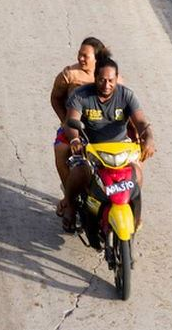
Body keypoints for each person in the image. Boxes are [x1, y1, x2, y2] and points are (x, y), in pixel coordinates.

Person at [59, 56, 153, 232]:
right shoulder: (81, 95)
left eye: (111, 80)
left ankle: (134, 214)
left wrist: (149, 138)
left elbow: (140, 122)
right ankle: (70, 206)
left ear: (117, 79)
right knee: (80, 171)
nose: (106, 84)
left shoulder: (126, 95)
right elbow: (71, 121)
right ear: (95, 77)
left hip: (121, 149)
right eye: (102, 80)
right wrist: (75, 139)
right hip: (91, 148)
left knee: (137, 174)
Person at [50, 37, 110, 222]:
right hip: (75, 128)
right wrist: (65, 121)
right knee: (61, 149)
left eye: (86, 55)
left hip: (101, 129)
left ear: (97, 58)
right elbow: (55, 98)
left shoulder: (107, 76)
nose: (81, 58)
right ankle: (70, 201)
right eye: (80, 54)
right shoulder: (70, 74)